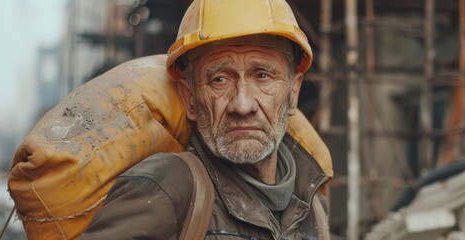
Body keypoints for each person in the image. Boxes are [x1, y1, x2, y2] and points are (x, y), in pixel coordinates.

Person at [82, 0, 332, 239]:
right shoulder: (167, 190)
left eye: (263, 76)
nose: (242, 105)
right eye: (219, 79)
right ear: (190, 98)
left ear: (293, 92)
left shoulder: (312, 205)